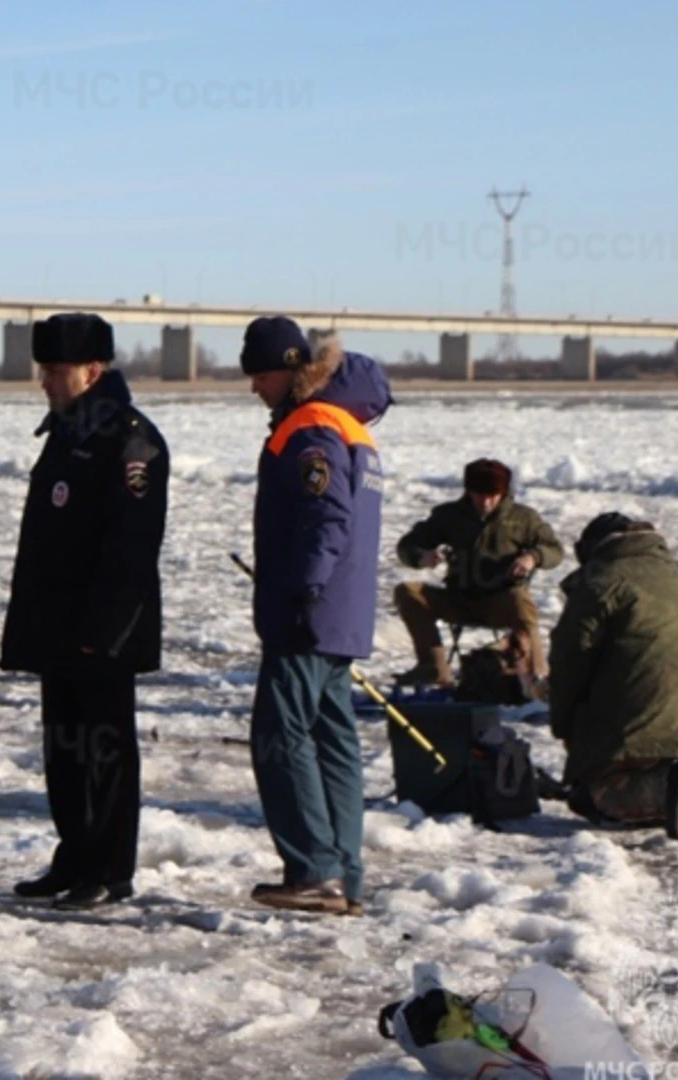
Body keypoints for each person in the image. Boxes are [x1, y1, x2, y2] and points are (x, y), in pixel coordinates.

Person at [0, 312, 168, 912]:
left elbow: (131, 547)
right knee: (64, 752)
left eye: (56, 370)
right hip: (58, 630)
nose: (45, 380)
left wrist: (105, 632)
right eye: (43, 369)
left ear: (93, 371)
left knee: (105, 753)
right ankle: (73, 857)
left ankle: (109, 869)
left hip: (102, 634)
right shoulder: (67, 434)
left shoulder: (130, 443)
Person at [243, 316, 391, 916]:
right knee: (332, 738)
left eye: (259, 374)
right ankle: (343, 875)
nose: (254, 388)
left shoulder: (311, 428)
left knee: (281, 733)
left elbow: (326, 517)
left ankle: (314, 869)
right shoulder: (349, 425)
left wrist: (303, 589)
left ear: (285, 369)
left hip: (311, 611)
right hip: (342, 615)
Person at [551, 514, 678, 841]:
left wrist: (565, 723)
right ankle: (671, 778)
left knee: (597, 799)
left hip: (643, 709)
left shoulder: (601, 579)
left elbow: (570, 661)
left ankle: (661, 788)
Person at [392, 458, 562, 689]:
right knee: (407, 592)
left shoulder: (524, 518)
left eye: (493, 495)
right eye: (479, 495)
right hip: (458, 599)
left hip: (500, 602)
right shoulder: (448, 516)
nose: (486, 502)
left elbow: (554, 549)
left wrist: (533, 557)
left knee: (520, 599)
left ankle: (536, 678)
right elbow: (407, 545)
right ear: (468, 491)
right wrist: (422, 556)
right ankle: (432, 667)